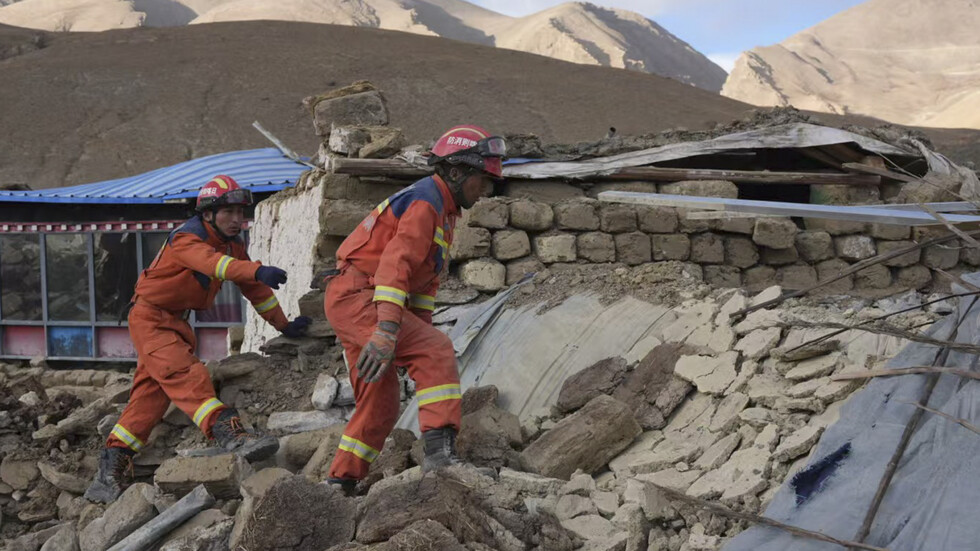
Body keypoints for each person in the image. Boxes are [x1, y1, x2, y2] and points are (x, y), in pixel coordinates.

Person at [85, 175, 311, 503]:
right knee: (186, 374)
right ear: (207, 214)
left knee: (150, 397)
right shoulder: (187, 239)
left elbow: (256, 291)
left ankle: (107, 475)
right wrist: (255, 269)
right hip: (151, 319)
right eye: (228, 212)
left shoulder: (232, 246)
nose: (237, 219)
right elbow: (216, 265)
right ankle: (229, 435)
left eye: (240, 212)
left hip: (175, 322)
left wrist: (283, 325)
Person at [323, 125, 506, 494]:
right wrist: (389, 331)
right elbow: (395, 266)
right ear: (456, 171)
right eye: (482, 179)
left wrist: (412, 331)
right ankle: (440, 459)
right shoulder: (427, 202)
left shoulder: (444, 210)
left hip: (358, 298)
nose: (485, 189)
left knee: (382, 404)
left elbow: (422, 283)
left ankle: (339, 482)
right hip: (361, 296)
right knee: (436, 348)